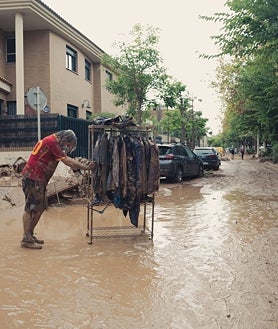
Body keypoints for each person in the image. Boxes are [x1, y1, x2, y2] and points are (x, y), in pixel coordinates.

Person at [20, 130, 95, 249]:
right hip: (33, 177)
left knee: (40, 208)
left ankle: (29, 234)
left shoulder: (52, 142)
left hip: (37, 179)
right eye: (68, 145)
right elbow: (67, 161)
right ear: (65, 139)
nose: (67, 147)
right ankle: (26, 238)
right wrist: (86, 167)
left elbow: (66, 159)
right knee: (30, 208)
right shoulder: (52, 142)